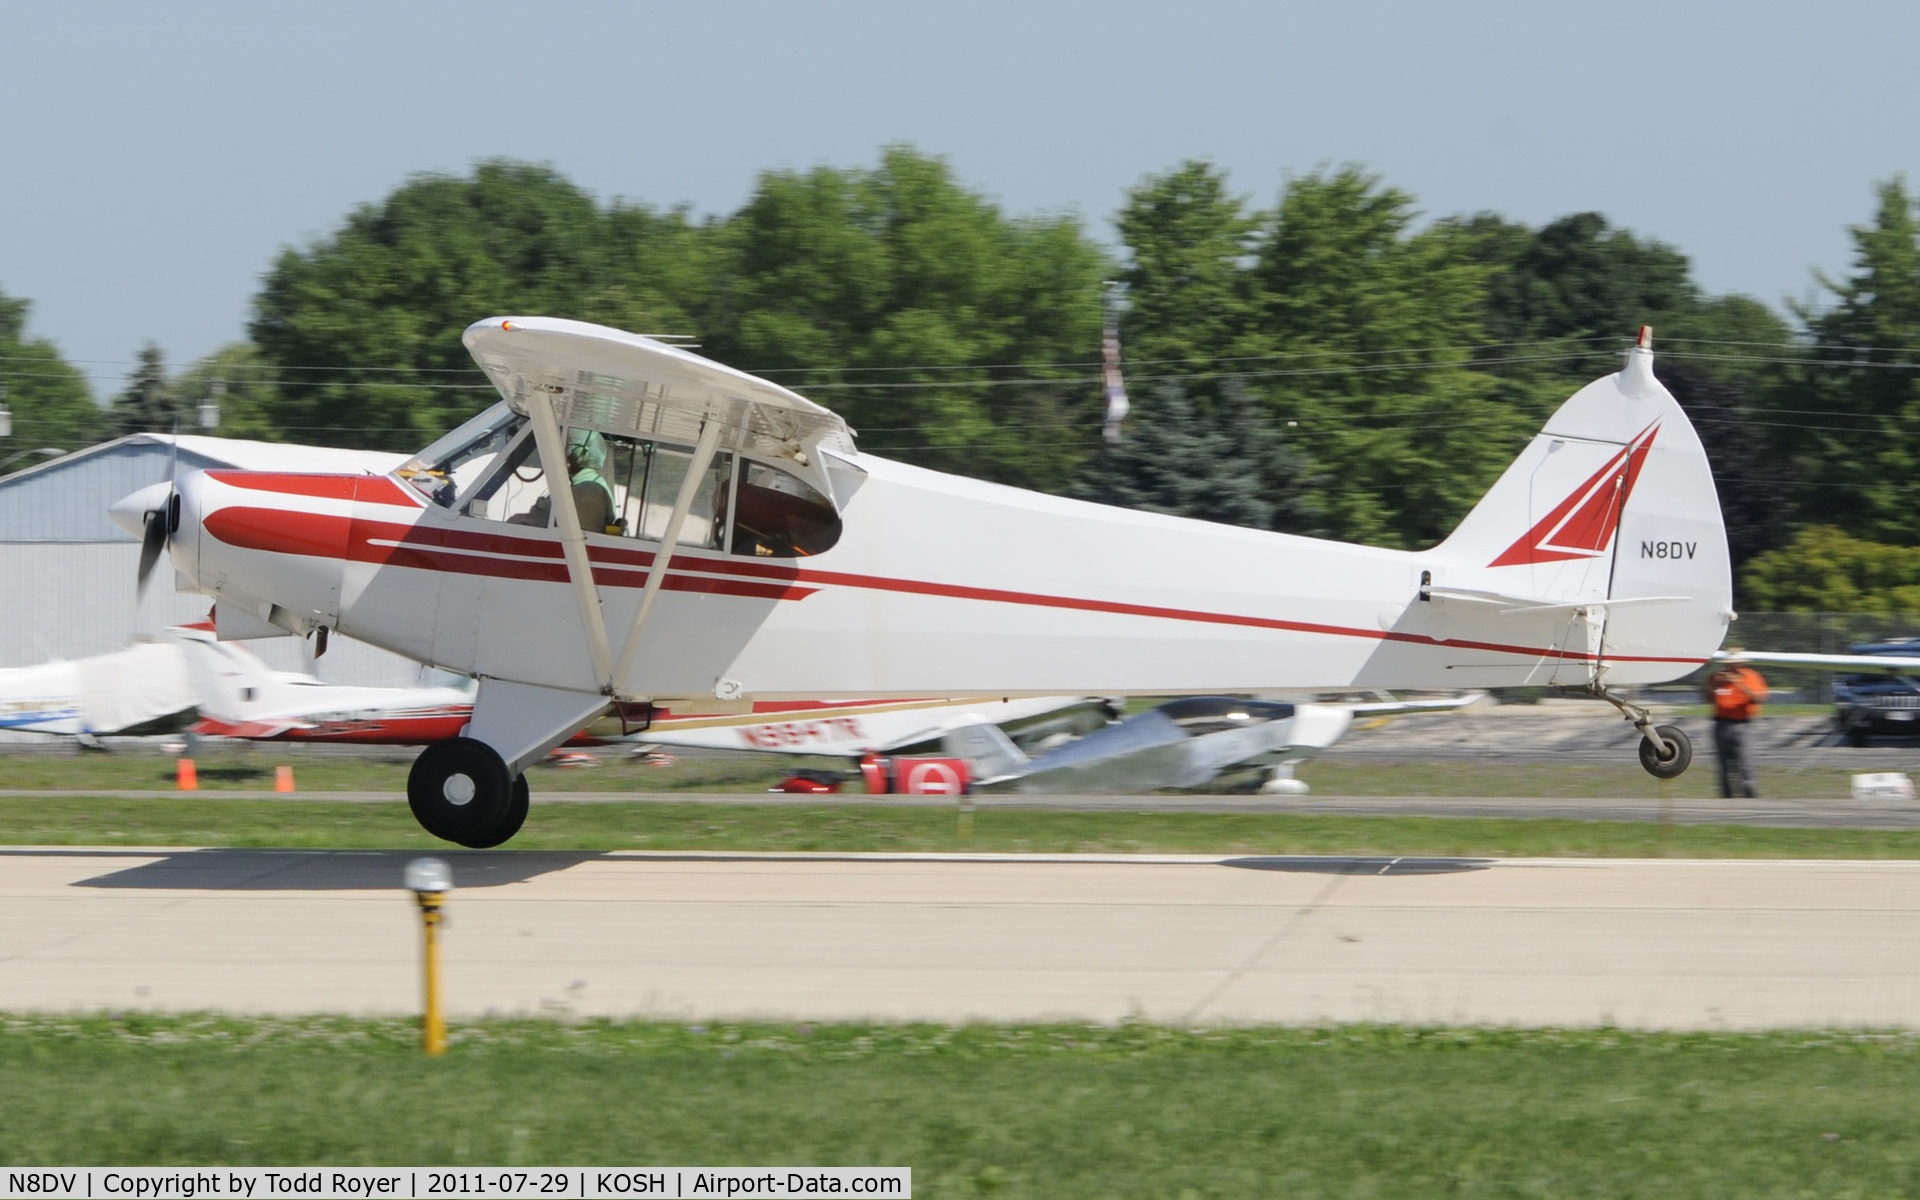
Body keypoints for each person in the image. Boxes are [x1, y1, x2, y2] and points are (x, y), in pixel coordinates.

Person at [1705, 649, 1768, 798]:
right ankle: (1727, 799)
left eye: (1735, 664)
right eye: (1729, 665)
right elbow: (1708, 699)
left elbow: (1759, 698)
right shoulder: (1718, 678)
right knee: (1723, 768)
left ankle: (1750, 797)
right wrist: (1712, 686)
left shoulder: (1751, 677)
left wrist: (1740, 685)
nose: (1732, 668)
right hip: (1721, 725)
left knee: (1745, 766)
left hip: (1742, 726)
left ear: (1741, 664)